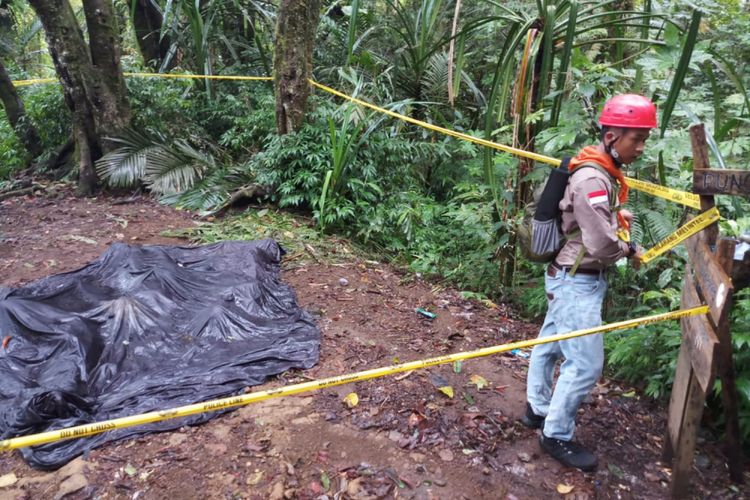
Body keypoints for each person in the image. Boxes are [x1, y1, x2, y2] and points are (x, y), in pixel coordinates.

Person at [521, 94, 655, 471]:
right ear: (612, 137)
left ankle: (537, 408)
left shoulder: (599, 171)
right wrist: (629, 250)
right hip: (577, 281)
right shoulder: (593, 178)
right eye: (636, 139)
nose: (641, 147)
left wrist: (615, 216)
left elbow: (591, 222)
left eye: (644, 138)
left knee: (548, 346)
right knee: (585, 365)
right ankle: (556, 434)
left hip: (567, 276)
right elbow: (599, 242)